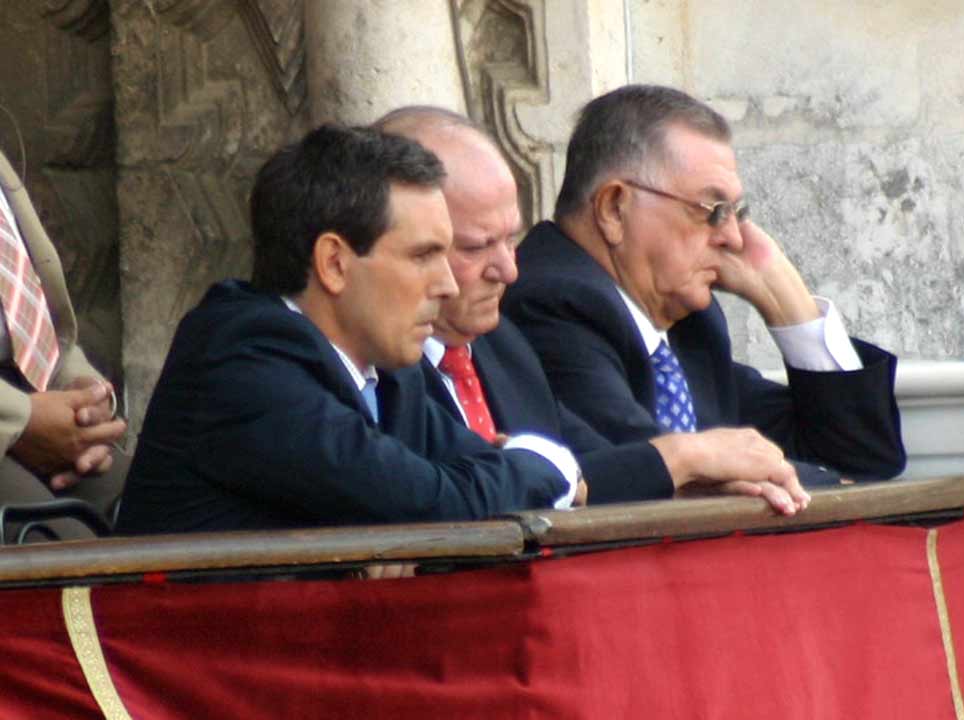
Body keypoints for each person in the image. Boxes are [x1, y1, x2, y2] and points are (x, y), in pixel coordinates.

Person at [115, 124, 583, 536]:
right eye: (423, 256)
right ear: (334, 263)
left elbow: (459, 487)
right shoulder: (242, 360)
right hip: (181, 635)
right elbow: (437, 507)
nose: (445, 284)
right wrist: (550, 466)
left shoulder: (387, 367)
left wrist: (516, 475)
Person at [376, 106, 809, 514]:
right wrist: (682, 459)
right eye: (476, 246)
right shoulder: (377, 363)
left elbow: (590, 468)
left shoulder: (499, 344)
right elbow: (462, 488)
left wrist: (796, 308)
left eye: (510, 239)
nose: (509, 271)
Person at [501, 85, 906, 482]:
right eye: (712, 210)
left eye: (737, 211)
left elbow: (863, 459)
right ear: (613, 208)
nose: (734, 237)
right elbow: (652, 468)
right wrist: (820, 481)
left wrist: (786, 298)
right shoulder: (551, 303)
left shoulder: (687, 324)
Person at [0, 147, 126, 540]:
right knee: (71, 555)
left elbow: (39, 320)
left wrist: (85, 400)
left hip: (32, 401)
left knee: (172, 510)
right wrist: (23, 420)